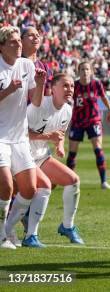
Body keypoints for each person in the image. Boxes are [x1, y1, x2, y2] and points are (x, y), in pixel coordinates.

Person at [22, 73, 84, 246]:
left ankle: (67, 226)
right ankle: (30, 235)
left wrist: (59, 146)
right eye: (65, 85)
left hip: (41, 156)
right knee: (40, 188)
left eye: (72, 86)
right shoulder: (38, 105)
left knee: (73, 180)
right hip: (22, 156)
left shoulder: (68, 110)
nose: (70, 89)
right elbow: (21, 133)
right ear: (53, 89)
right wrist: (48, 136)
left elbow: (60, 134)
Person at [0, 26, 46, 249]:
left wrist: (41, 83)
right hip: (0, 137)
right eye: (13, 42)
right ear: (2, 46)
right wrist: (7, 90)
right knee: (7, 186)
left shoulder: (27, 65)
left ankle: (7, 230)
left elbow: (35, 102)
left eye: (19, 41)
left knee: (29, 189)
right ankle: (0, 236)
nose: (19, 45)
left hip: (19, 138)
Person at [68, 61, 110, 190]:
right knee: (72, 153)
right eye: (82, 69)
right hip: (77, 120)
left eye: (87, 69)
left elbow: (103, 97)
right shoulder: (74, 86)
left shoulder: (96, 84)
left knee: (98, 149)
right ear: (78, 72)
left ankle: (103, 181)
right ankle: (69, 183)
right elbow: (66, 99)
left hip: (94, 120)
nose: (85, 72)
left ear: (91, 71)